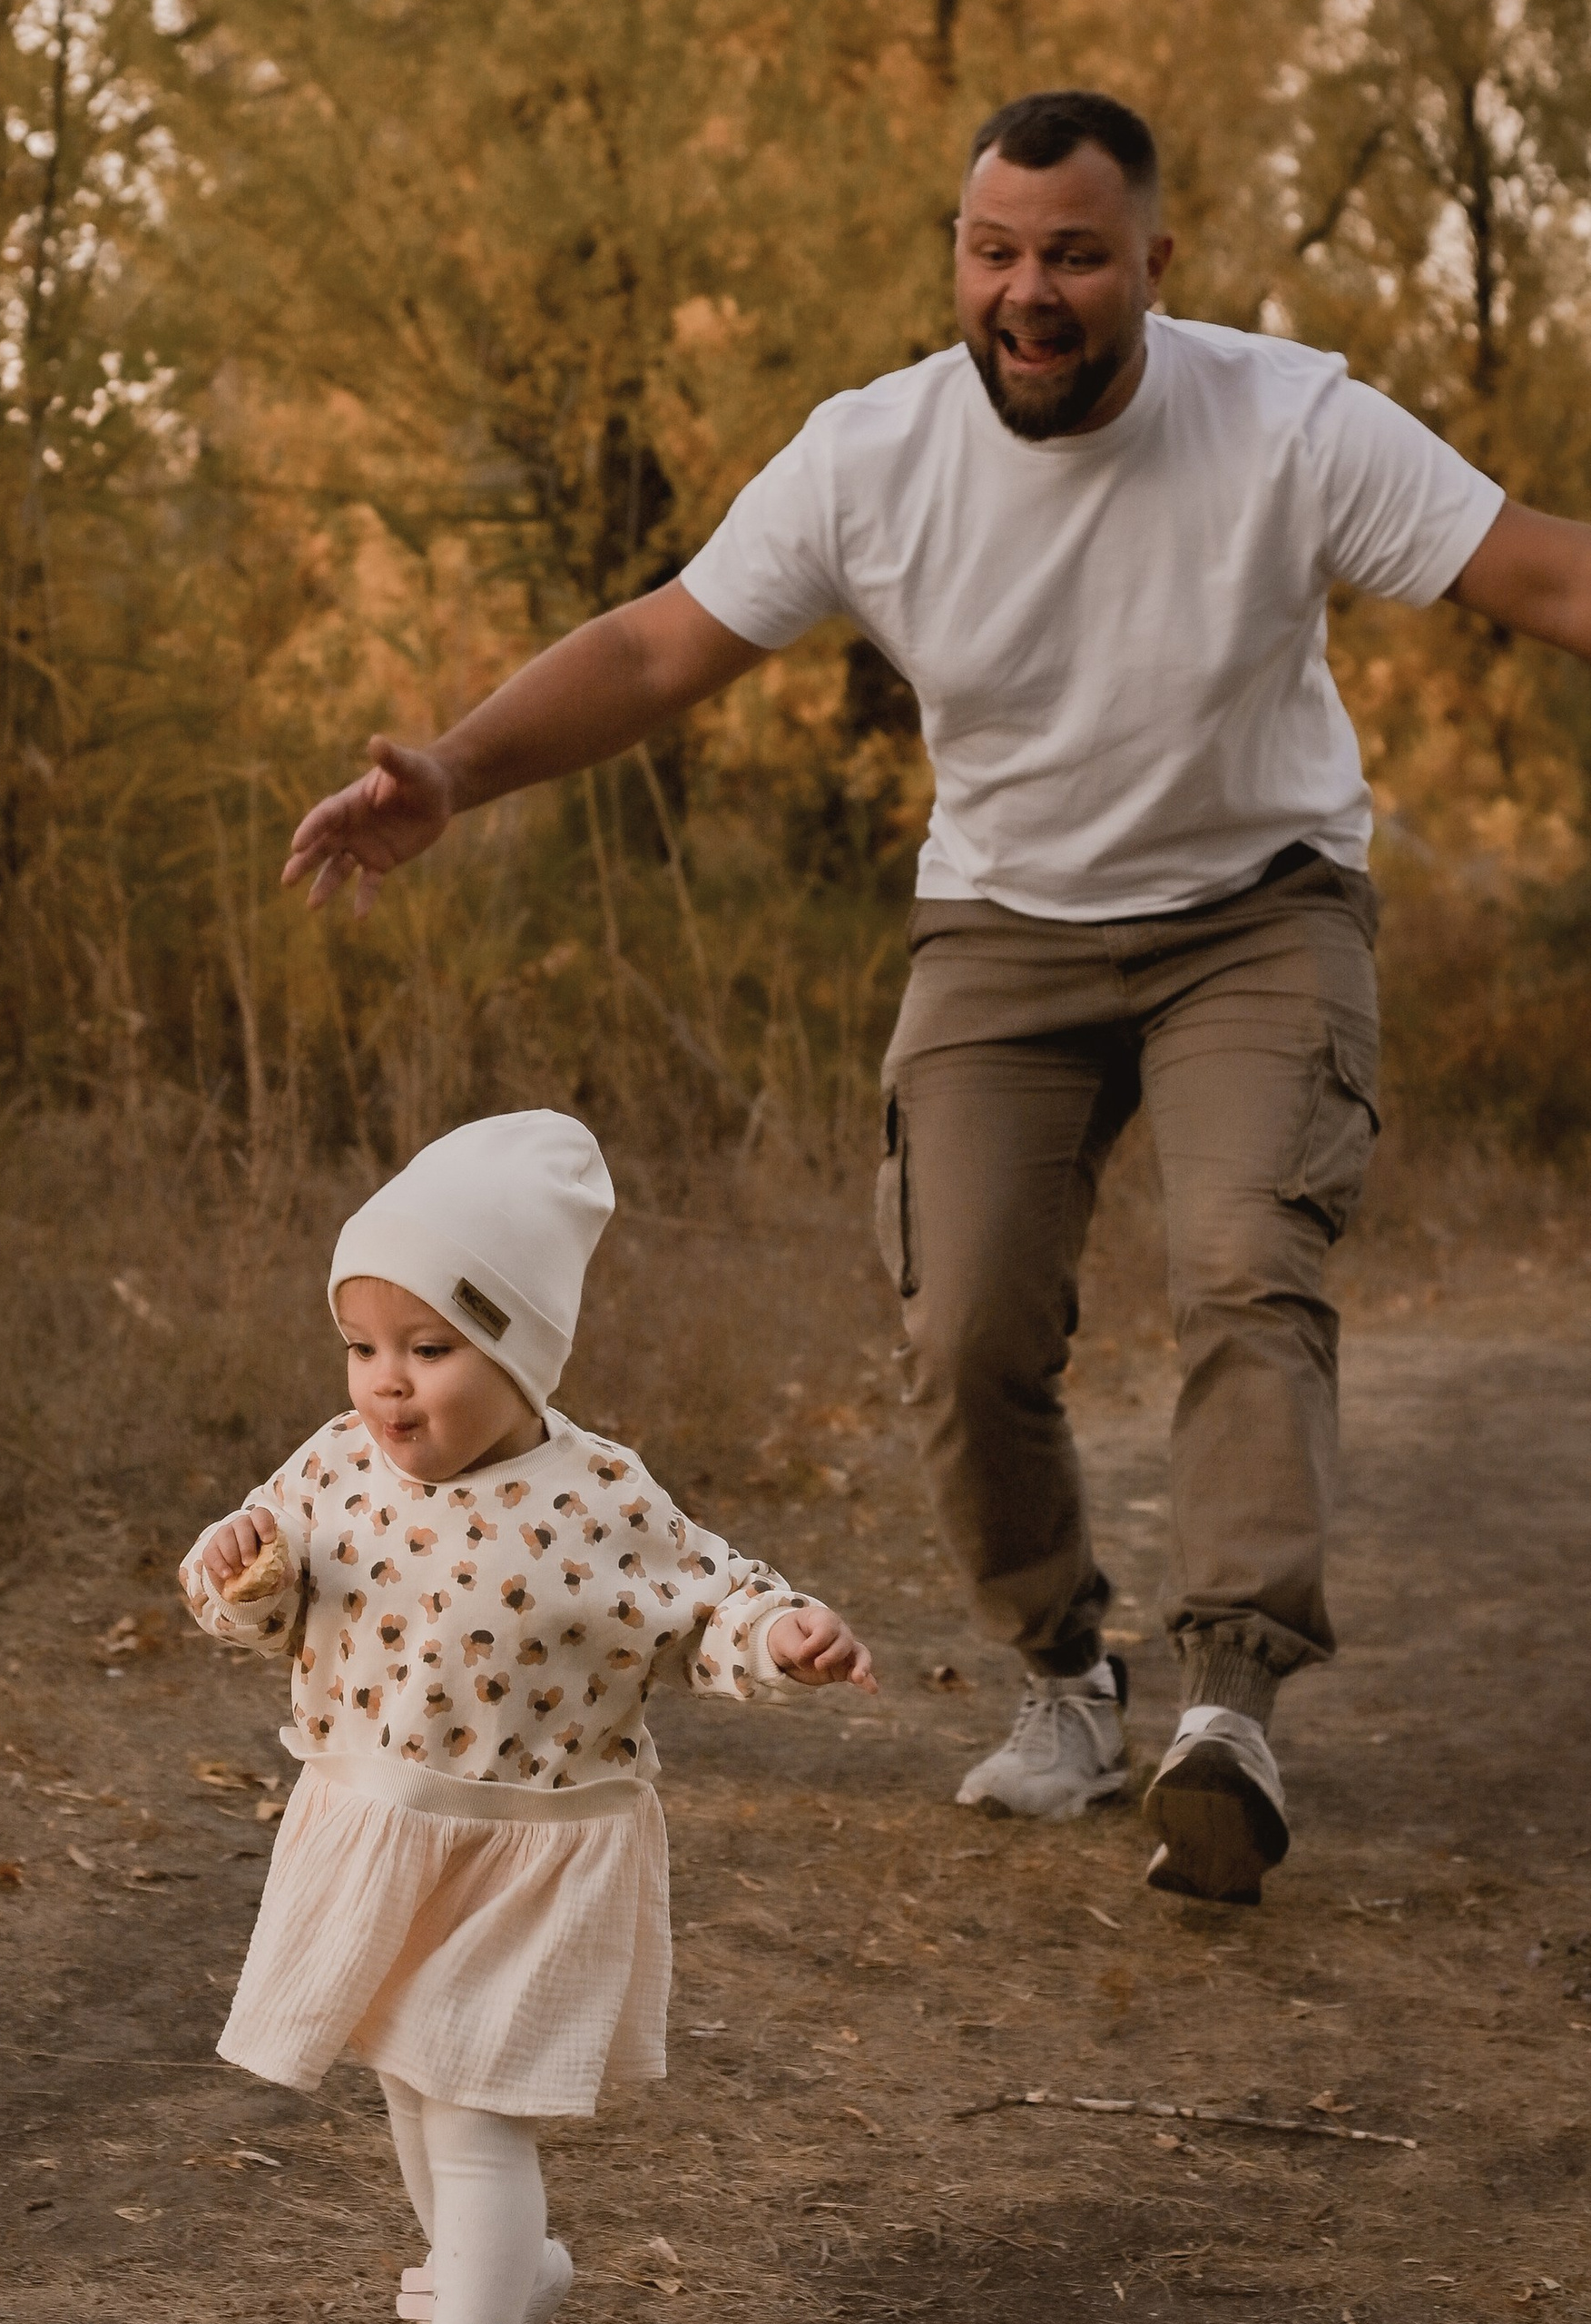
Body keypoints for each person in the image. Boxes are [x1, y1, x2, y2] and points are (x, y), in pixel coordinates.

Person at [275, 89, 1591, 1907]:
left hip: (1256, 913)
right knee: (959, 1321)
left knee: (1239, 1259)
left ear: (1150, 262)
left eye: (1069, 255)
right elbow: (665, 637)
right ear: (956, 257)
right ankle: (1066, 1673)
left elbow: (1532, 562)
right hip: (1004, 930)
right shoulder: (869, 455)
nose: (1025, 292)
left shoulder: (1285, 420)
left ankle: (1227, 1707)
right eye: (992, 252)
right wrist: (456, 769)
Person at [181, 1110, 879, 2324]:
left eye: (432, 1347)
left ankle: (482, 2299)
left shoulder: (598, 1496)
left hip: (532, 1857)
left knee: (472, 2118)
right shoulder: (335, 1466)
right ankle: (501, 2272)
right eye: (360, 1345)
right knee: (409, 2077)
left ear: (522, 1354)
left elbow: (707, 1603)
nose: (386, 1380)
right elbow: (256, 1596)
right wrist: (238, 1570)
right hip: (382, 1826)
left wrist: (781, 1639)